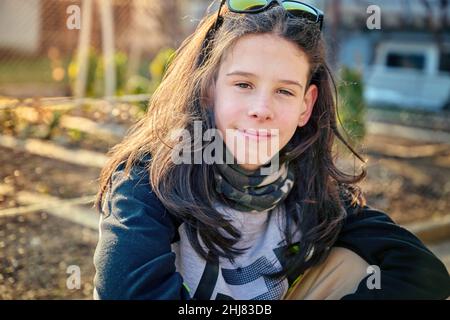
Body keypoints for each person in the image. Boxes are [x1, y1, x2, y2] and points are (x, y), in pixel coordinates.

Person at [93, 0, 450, 300]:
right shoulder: (148, 181)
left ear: (305, 106)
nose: (262, 108)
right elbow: (127, 292)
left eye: (284, 91)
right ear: (209, 90)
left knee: (357, 263)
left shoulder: (310, 185)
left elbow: (425, 273)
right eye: (244, 84)